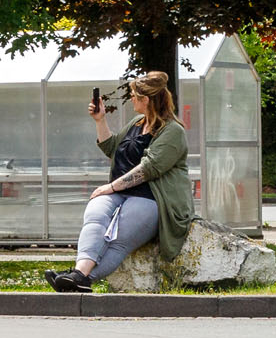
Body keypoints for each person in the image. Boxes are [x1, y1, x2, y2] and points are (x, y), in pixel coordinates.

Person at [44, 72, 193, 293]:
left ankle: (81, 278)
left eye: (134, 95)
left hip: (150, 198)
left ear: (146, 100)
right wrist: (100, 120)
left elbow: (149, 169)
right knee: (95, 219)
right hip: (118, 193)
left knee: (118, 240)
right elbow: (112, 147)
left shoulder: (173, 131)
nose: (131, 99)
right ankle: (78, 274)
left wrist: (111, 187)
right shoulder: (137, 123)